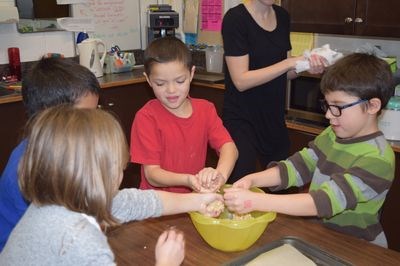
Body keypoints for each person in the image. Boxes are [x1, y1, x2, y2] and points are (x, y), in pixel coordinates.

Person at [0, 106, 223, 265]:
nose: (122, 172)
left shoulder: (57, 202)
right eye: (119, 166)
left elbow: (143, 202)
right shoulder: (81, 239)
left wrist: (199, 201)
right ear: (98, 174)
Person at [223, 53, 395, 247]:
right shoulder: (332, 133)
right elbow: (298, 166)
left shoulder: (377, 159)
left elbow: (323, 201)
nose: (329, 115)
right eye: (327, 105)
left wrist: (255, 201)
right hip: (319, 235)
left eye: (338, 107)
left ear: (372, 106)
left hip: (356, 246)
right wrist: (252, 179)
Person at [0, 57, 100, 251]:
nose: (93, 124)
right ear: (49, 116)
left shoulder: (66, 146)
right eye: (84, 117)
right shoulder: (29, 168)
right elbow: (52, 240)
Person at [222, 0, 326, 183]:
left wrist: (305, 67)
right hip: (241, 119)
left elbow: (285, 74)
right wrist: (289, 63)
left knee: (284, 184)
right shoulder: (235, 19)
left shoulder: (283, 16)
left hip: (273, 117)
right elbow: (241, 80)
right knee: (240, 184)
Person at [131, 36, 238, 193]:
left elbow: (230, 148)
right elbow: (152, 174)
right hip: (157, 208)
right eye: (160, 83)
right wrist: (188, 180)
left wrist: (219, 175)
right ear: (148, 80)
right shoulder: (146, 117)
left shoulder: (205, 110)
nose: (171, 90)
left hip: (194, 202)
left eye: (180, 81)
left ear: (191, 74)